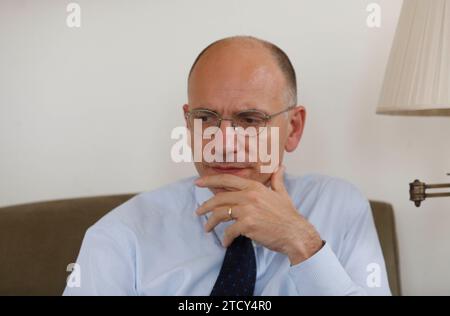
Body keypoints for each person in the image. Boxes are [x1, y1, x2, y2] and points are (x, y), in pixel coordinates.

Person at [63, 36, 391, 296]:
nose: (224, 142)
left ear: (293, 128)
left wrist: (301, 242)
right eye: (206, 118)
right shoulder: (120, 237)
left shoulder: (341, 208)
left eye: (250, 119)